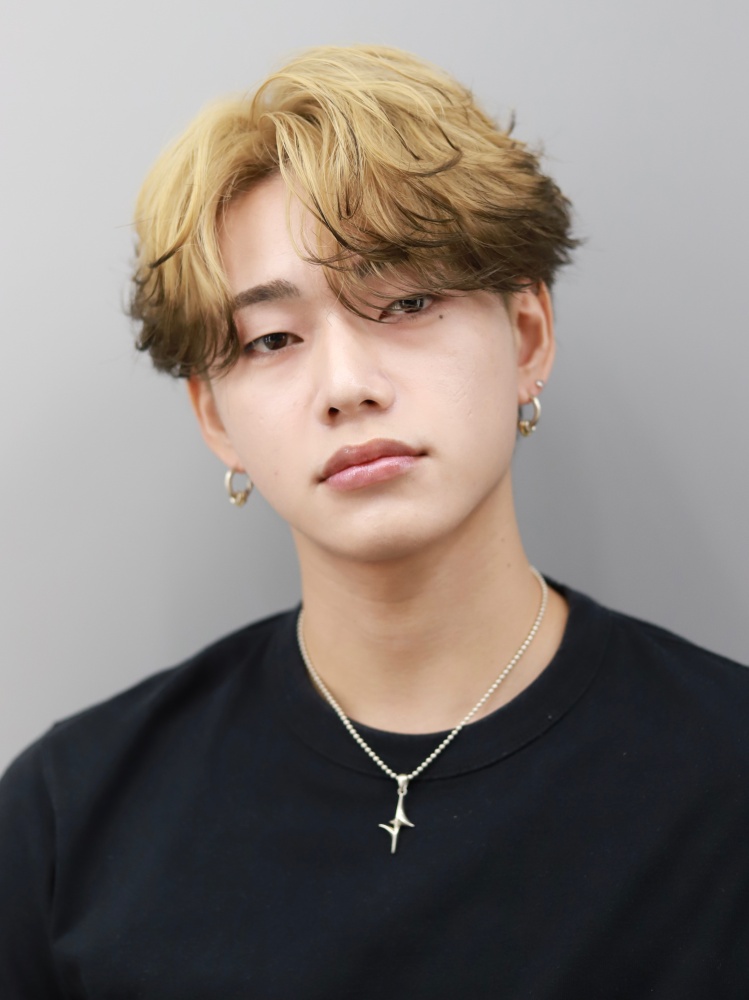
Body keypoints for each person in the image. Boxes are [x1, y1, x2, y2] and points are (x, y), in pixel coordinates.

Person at [1, 44, 748, 999]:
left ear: (526, 336)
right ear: (215, 417)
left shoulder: (726, 777)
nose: (347, 385)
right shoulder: (69, 820)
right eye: (272, 338)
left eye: (406, 301)